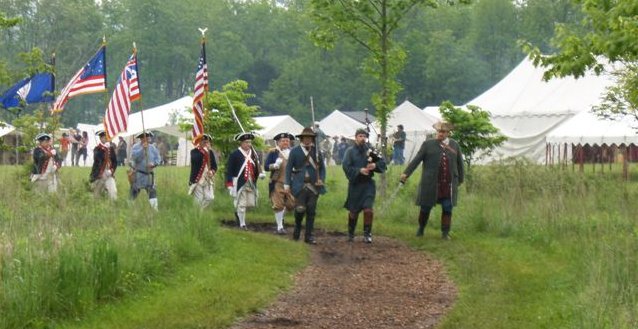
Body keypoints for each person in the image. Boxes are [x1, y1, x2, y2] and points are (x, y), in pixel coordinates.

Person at [400, 121, 464, 240]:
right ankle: (421, 229)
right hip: (431, 182)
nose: (440, 134)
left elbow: (460, 163)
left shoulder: (454, 145)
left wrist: (460, 179)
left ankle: (445, 233)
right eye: (439, 131)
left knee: (447, 207)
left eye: (443, 132)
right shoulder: (428, 144)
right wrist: (406, 173)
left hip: (448, 184)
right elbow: (416, 160)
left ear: (448, 133)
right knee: (425, 207)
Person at [342, 128, 387, 243]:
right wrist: (359, 170)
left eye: (364, 136)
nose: (363, 138)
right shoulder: (350, 151)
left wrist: (374, 166)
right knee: (353, 212)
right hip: (355, 185)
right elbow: (346, 167)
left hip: (368, 184)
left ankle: (367, 234)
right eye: (360, 136)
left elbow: (382, 163)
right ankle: (351, 233)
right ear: (356, 137)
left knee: (368, 210)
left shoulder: (371, 150)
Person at [284, 127, 326, 244]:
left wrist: (321, 179)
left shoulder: (317, 152)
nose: (308, 140)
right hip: (299, 185)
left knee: (311, 211)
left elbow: (322, 168)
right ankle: (297, 229)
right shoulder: (295, 151)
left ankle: (309, 236)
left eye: (310, 138)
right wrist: (287, 184)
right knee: (300, 209)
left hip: (314, 186)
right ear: (302, 138)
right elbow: (288, 169)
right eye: (306, 138)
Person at [226, 132, 261, 229]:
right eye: (246, 142)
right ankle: (242, 224)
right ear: (241, 143)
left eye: (250, 142)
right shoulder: (235, 154)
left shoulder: (253, 154)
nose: (248, 144)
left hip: (251, 182)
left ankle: (238, 213)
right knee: (242, 204)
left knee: (249, 203)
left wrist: (260, 173)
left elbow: (256, 167)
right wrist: (229, 184)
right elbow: (230, 170)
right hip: (239, 182)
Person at [264, 132, 296, 234]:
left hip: (291, 182)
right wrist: (274, 166)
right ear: (278, 142)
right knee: (278, 204)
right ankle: (280, 226)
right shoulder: (273, 152)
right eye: (283, 141)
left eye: (287, 141)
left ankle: (281, 218)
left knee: (291, 204)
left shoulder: (293, 153)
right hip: (277, 181)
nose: (285, 142)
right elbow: (266, 166)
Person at [130, 131, 162, 210]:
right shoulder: (135, 147)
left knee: (152, 192)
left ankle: (155, 210)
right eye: (146, 136)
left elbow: (158, 158)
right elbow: (135, 158)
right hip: (139, 174)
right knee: (134, 192)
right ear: (142, 138)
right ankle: (130, 208)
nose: (148, 138)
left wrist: (154, 164)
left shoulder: (152, 147)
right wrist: (142, 149)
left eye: (149, 136)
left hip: (149, 175)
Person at [189, 134, 217, 209]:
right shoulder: (194, 151)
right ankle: (197, 217)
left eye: (207, 142)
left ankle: (200, 212)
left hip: (207, 179)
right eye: (204, 142)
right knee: (198, 201)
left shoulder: (210, 152)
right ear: (200, 142)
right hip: (197, 180)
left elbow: (214, 166)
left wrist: (212, 172)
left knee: (210, 198)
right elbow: (196, 160)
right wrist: (205, 151)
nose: (206, 144)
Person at [90, 130, 118, 200]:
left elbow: (115, 162)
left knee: (113, 192)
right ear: (100, 138)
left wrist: (111, 171)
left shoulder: (110, 149)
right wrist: (103, 149)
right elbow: (97, 159)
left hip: (109, 173)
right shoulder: (97, 149)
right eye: (104, 137)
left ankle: (113, 206)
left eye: (106, 137)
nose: (105, 139)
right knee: (96, 194)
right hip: (99, 174)